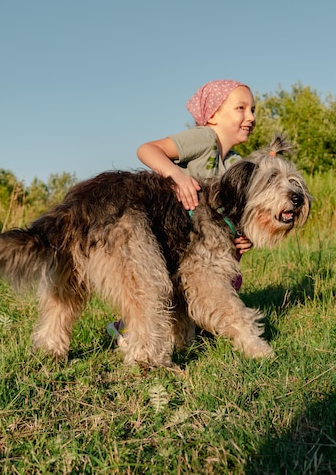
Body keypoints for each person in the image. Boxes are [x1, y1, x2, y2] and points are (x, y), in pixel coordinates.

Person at [107, 79, 256, 344]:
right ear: (212, 115)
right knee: (157, 283)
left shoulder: (235, 163)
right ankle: (128, 330)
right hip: (170, 230)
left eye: (253, 109)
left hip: (199, 244)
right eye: (241, 108)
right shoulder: (204, 138)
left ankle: (180, 329)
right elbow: (147, 149)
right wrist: (176, 175)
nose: (251, 117)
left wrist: (243, 238)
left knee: (226, 280)